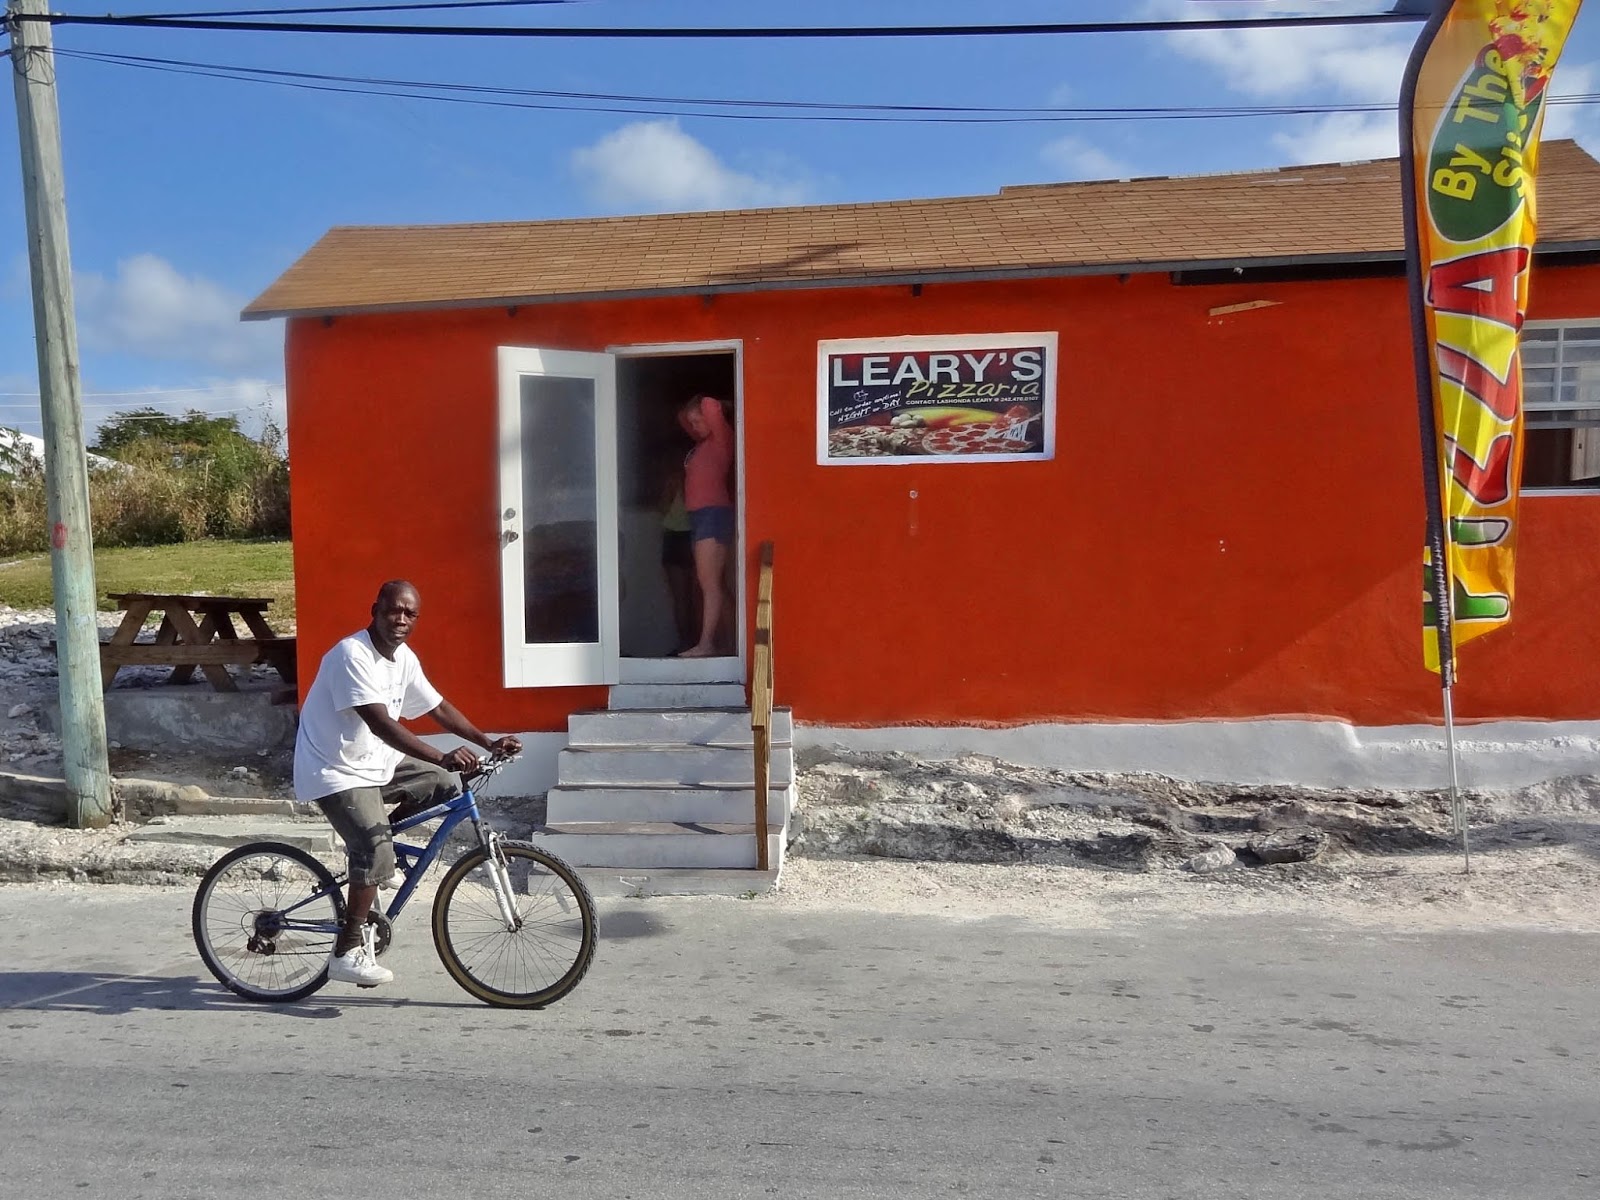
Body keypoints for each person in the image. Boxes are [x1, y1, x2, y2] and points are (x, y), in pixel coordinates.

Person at [294, 579, 522, 988]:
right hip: (335, 769)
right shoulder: (352, 655)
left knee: (441, 785)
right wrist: (443, 755)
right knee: (374, 845)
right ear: (375, 610)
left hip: (375, 765)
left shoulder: (404, 659)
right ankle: (347, 951)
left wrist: (488, 741)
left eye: (409, 614)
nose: (400, 619)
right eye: (393, 610)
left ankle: (380, 860)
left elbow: (438, 707)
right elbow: (380, 723)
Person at [677, 392, 735, 658]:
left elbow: (710, 406)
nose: (695, 427)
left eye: (698, 421)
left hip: (714, 513)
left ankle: (707, 643)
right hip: (700, 515)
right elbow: (681, 419)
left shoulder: (722, 438)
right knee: (712, 583)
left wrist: (717, 406)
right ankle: (730, 641)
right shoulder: (702, 444)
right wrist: (692, 414)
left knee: (709, 583)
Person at [659, 466, 698, 653]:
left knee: (680, 598)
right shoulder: (699, 476)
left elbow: (663, 508)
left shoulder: (674, 479)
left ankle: (685, 644)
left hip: (675, 538)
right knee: (697, 597)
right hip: (696, 536)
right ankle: (697, 642)